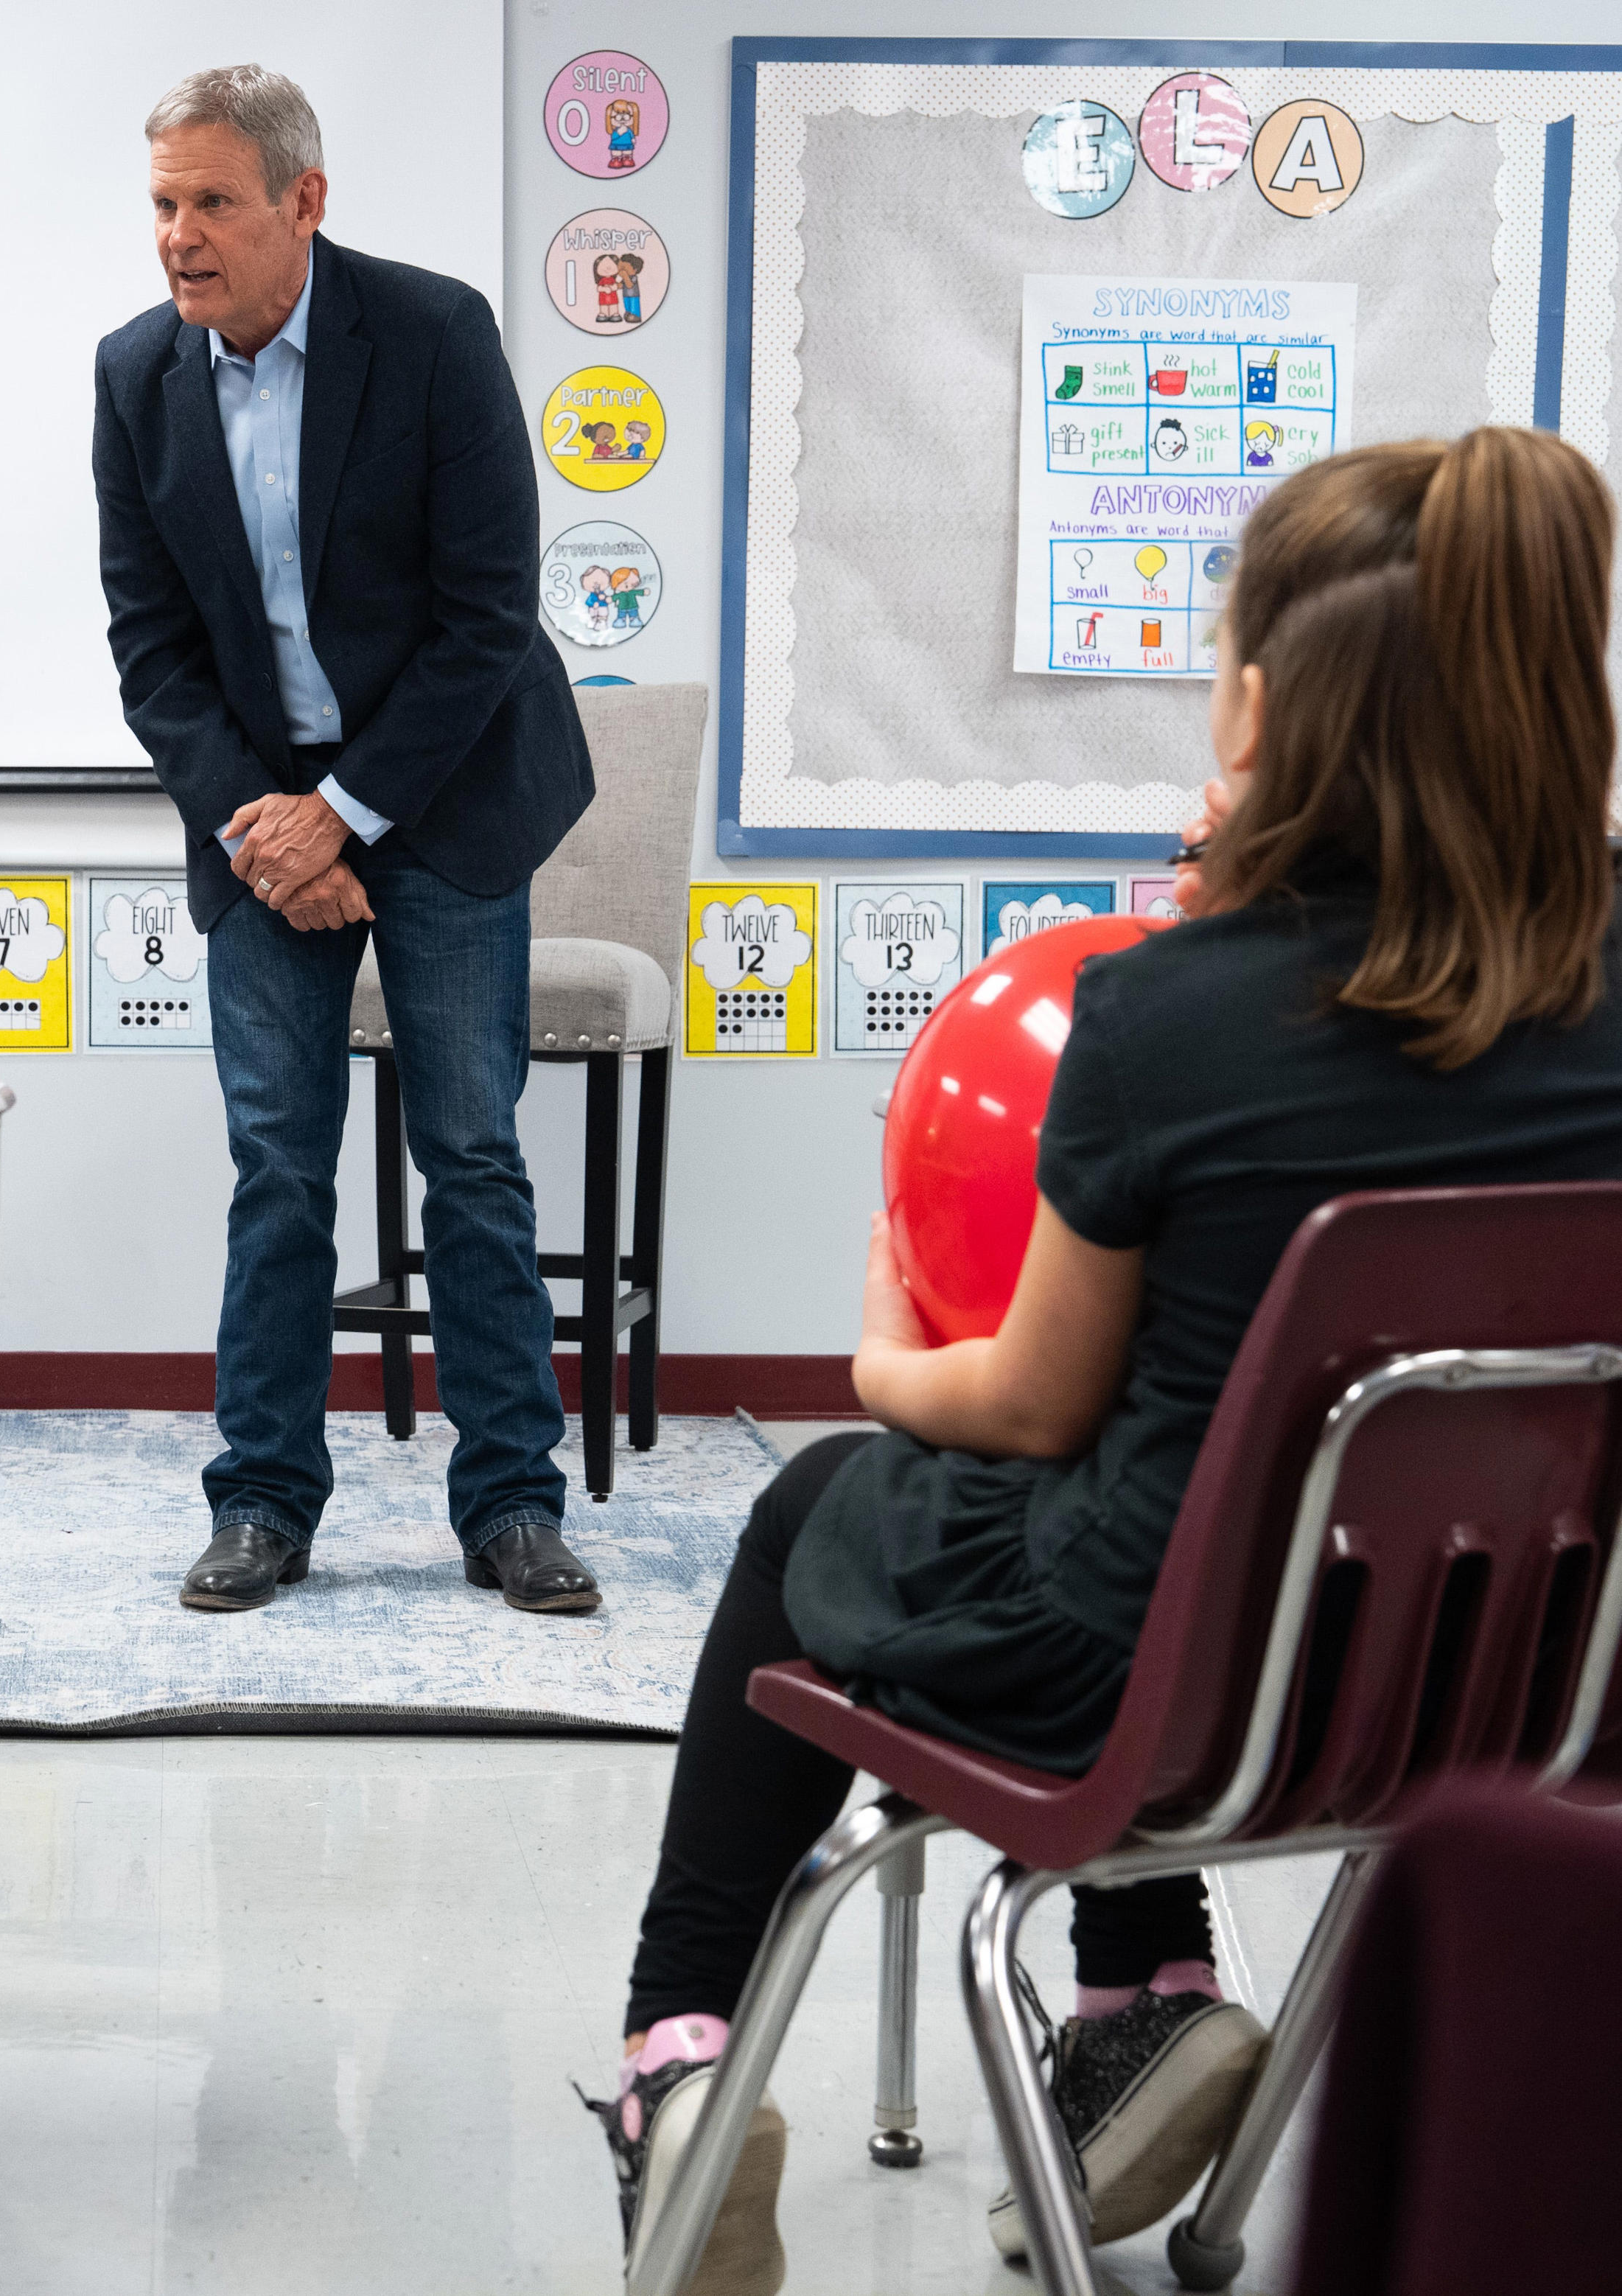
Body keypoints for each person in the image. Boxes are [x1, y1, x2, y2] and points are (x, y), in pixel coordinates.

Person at [599, 428, 1622, 2294]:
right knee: (1135, 1522)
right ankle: (1142, 1993)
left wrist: (884, 1353)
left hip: (1162, 1697)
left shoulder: (1164, 1018)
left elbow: (1030, 1404)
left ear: (1262, 706)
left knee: (833, 1502)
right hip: (1529, 1699)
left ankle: (675, 2054)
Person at [94, 65, 599, 1617]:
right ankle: (260, 1501)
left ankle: (511, 1504)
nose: (180, 238)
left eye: (212, 205)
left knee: (470, 1154)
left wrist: (346, 815)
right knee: (277, 1170)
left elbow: (483, 617)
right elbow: (151, 646)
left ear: (302, 202)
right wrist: (271, 832)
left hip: (443, 794)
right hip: (259, 819)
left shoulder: (433, 334)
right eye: (164, 205)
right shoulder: (133, 375)